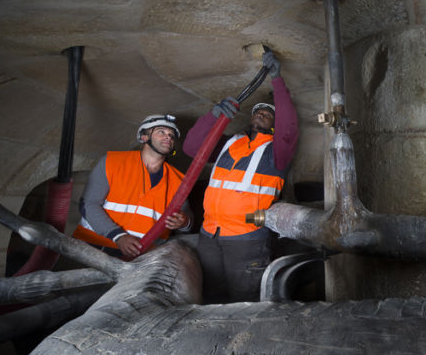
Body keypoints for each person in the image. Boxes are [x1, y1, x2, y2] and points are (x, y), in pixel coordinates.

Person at [183, 52, 299, 303]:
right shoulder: (231, 144)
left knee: (245, 302)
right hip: (210, 236)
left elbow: (289, 128)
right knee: (210, 299)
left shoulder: (276, 153)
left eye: (267, 113)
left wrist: (277, 80)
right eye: (257, 110)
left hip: (246, 239)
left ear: (274, 124)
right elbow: (191, 148)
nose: (260, 113)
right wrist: (213, 117)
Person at [73, 114, 193, 258]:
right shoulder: (113, 162)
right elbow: (89, 204)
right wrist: (118, 236)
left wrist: (185, 222)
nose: (168, 137)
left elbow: (187, 218)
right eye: (161, 132)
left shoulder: (179, 180)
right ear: (144, 137)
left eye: (171, 135)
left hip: (143, 258)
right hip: (92, 247)